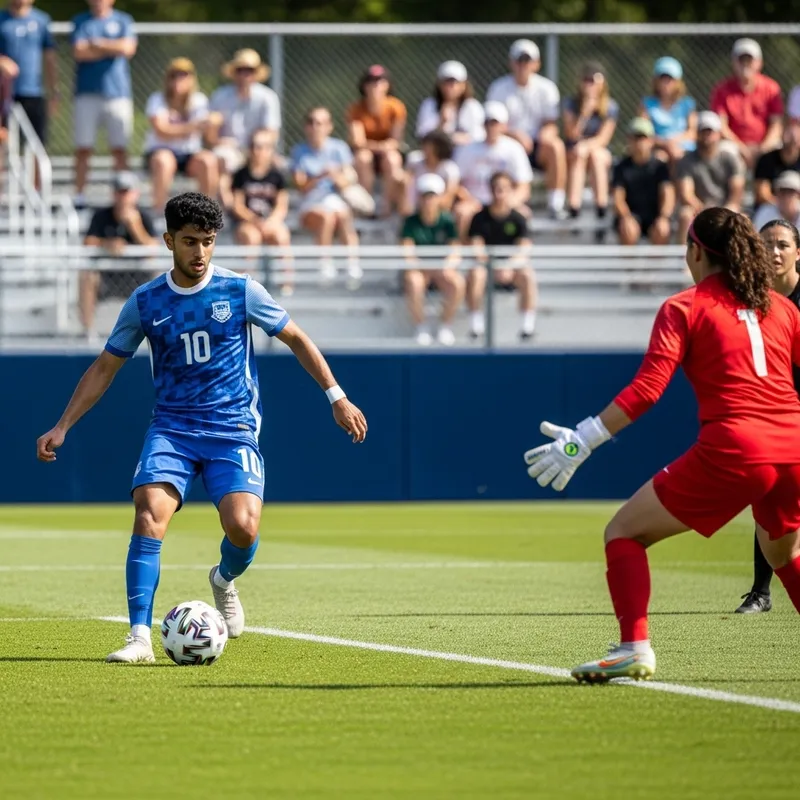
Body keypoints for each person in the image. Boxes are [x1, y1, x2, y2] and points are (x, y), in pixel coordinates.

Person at [36, 192, 368, 664]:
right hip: (172, 429)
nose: (200, 253)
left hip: (232, 429)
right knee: (149, 513)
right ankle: (138, 638)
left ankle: (223, 579)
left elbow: (296, 338)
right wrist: (62, 425)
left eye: (208, 242)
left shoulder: (241, 291)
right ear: (169, 240)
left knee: (243, 528)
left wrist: (337, 396)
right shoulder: (146, 302)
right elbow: (105, 367)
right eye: (190, 241)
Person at [524, 207, 800, 682]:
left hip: (738, 444)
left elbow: (648, 390)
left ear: (696, 251)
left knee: (624, 533)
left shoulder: (685, 306)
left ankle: (634, 647)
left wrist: (582, 440)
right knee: (784, 557)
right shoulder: (783, 308)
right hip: (794, 446)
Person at [735, 219, 800, 614]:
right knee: (766, 499)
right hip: (772, 416)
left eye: (782, 244)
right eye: (766, 245)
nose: (774, 252)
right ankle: (761, 591)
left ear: (798, 252)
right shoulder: (749, 299)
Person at [486, 39, 567, 219]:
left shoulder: (547, 88)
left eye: (527, 61)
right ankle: (508, 204)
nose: (523, 65)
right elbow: (493, 125)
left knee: (555, 146)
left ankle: (556, 203)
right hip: (508, 145)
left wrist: (545, 134)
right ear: (511, 63)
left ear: (536, 64)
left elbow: (551, 123)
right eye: (519, 61)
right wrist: (516, 136)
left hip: (537, 147)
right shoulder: (498, 88)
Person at [71, 0, 137, 209]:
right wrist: (112, 47)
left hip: (117, 93)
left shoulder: (123, 20)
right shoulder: (81, 21)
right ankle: (80, 196)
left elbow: (127, 49)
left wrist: (96, 45)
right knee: (83, 148)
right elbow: (79, 51)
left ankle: (122, 196)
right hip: (87, 93)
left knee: (119, 148)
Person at [81, 171, 158, 340]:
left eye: (127, 191)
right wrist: (107, 244)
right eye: (119, 192)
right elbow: (88, 241)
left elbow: (153, 249)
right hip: (108, 276)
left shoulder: (144, 216)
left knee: (160, 282)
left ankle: (156, 333)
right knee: (88, 277)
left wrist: (135, 227)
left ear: (136, 194)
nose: (123, 197)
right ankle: (88, 332)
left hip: (139, 277)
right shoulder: (102, 215)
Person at [290, 106, 362, 286]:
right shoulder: (299, 151)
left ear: (329, 126)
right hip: (311, 201)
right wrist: (320, 176)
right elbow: (301, 187)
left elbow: (348, 180)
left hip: (334, 198)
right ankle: (324, 263)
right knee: (325, 216)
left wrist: (336, 176)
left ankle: (352, 264)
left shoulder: (339, 148)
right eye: (311, 122)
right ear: (306, 127)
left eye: (320, 123)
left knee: (343, 215)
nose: (315, 127)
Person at [206, 49, 281, 209]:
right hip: (229, 149)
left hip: (257, 147)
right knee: (223, 158)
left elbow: (271, 133)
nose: (245, 75)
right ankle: (224, 205)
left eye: (249, 70)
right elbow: (209, 135)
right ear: (234, 73)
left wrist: (255, 147)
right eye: (241, 70)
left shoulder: (267, 97)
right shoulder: (220, 96)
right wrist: (220, 141)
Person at [466, 171, 537, 341]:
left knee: (527, 275)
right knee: (476, 274)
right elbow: (477, 248)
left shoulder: (519, 219)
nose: (499, 194)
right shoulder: (479, 218)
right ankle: (476, 324)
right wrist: (493, 266)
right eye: (495, 189)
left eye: (503, 189)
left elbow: (524, 249)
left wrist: (508, 266)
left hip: (511, 268)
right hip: (487, 267)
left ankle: (527, 325)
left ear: (511, 190)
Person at [144, 57, 218, 213]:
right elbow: (162, 131)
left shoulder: (199, 100)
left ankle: (206, 212)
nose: (179, 80)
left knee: (208, 160)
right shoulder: (157, 100)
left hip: (189, 154)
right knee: (164, 160)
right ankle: (160, 211)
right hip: (160, 151)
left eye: (184, 75)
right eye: (174, 75)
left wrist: (213, 123)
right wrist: (192, 127)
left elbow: (206, 132)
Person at [453, 101, 533, 238]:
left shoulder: (514, 149)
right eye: (488, 123)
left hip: (504, 201)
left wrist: (508, 201)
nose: (491, 127)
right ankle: (463, 254)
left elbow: (524, 186)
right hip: (474, 202)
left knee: (523, 214)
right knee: (462, 212)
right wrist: (470, 200)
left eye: (495, 123)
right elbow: (456, 183)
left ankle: (519, 256)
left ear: (504, 125)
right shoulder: (468, 149)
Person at [401, 173, 464, 346]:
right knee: (414, 281)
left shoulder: (447, 221)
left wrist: (445, 267)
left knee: (456, 282)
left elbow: (455, 250)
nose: (429, 200)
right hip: (420, 270)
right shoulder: (411, 221)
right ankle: (421, 327)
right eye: (425, 196)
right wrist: (422, 267)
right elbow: (407, 250)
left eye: (432, 196)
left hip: (441, 270)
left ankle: (445, 325)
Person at [231, 128, 291, 294]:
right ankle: (245, 284)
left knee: (281, 235)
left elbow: (281, 205)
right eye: (255, 146)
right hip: (248, 221)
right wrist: (255, 221)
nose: (258, 151)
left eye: (263, 146)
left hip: (270, 220)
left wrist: (271, 221)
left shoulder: (277, 175)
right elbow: (238, 206)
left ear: (271, 150)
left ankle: (286, 282)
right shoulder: (240, 175)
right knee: (252, 237)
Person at [562, 61, 618, 234]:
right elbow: (571, 134)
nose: (589, 85)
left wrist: (586, 145)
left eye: (593, 80)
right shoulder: (570, 103)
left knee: (596, 156)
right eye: (586, 80)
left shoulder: (610, 106)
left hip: (594, 151)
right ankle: (574, 208)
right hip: (575, 153)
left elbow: (604, 139)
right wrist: (584, 113)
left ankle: (601, 208)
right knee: (580, 154)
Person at [710, 38, 783, 169]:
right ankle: (733, 188)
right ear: (733, 63)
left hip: (763, 144)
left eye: (750, 60)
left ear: (759, 63)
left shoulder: (771, 88)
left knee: (779, 150)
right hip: (735, 145)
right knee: (724, 150)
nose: (745, 64)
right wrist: (743, 149)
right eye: (741, 60)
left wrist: (762, 149)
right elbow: (721, 127)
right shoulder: (721, 89)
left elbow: (776, 125)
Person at [676, 111, 745, 241]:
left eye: (710, 132)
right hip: (698, 208)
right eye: (703, 131)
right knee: (685, 215)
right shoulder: (686, 160)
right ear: (697, 134)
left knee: (740, 217)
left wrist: (723, 212)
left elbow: (736, 193)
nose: (707, 136)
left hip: (725, 207)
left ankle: (737, 259)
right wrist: (704, 210)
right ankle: (683, 258)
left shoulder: (730, 159)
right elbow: (686, 194)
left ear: (719, 134)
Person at [346, 64, 406, 215]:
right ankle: (366, 206)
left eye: (380, 81)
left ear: (387, 85)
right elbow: (357, 142)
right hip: (367, 154)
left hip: (386, 154)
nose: (376, 85)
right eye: (371, 81)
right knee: (363, 158)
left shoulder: (396, 107)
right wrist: (381, 146)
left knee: (393, 159)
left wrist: (382, 147)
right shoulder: (356, 109)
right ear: (364, 85)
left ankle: (386, 206)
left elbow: (395, 140)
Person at [0, 0, 57, 148]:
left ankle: (36, 172)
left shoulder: (41, 20)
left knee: (36, 143)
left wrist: (53, 90)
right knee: (2, 140)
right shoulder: (2, 19)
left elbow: (49, 57)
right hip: (4, 93)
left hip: (33, 91)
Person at [612, 117, 674, 245]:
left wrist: (663, 217)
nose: (639, 142)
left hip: (655, 216)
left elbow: (667, 194)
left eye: (643, 137)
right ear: (629, 139)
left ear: (651, 140)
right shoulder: (621, 167)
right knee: (628, 228)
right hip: (631, 216)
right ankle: (630, 265)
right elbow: (618, 198)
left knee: (662, 229)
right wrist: (626, 217)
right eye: (635, 137)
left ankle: (657, 265)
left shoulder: (660, 167)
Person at [415, 60, 484, 147]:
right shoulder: (429, 105)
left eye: (455, 83)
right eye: (447, 82)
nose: (451, 87)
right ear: (439, 84)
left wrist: (452, 138)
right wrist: (441, 123)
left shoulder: (472, 107)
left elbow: (478, 138)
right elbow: (423, 137)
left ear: (464, 85)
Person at [640, 57, 697, 164]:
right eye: (662, 78)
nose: (666, 83)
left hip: (684, 148)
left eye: (670, 79)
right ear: (656, 81)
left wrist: (674, 141)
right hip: (658, 147)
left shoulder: (687, 104)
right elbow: (643, 132)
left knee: (678, 155)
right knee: (660, 159)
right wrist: (664, 143)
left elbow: (692, 132)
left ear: (678, 82)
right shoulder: (646, 104)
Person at [402, 130, 460, 216]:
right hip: (413, 207)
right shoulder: (414, 161)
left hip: (438, 213)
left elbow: (448, 198)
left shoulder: (450, 169)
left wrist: (429, 203)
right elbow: (405, 183)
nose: (424, 147)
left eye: (429, 145)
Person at [753, 120, 800, 208]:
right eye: (789, 132)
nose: (793, 137)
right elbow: (762, 193)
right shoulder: (767, 159)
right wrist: (783, 205)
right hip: (771, 208)